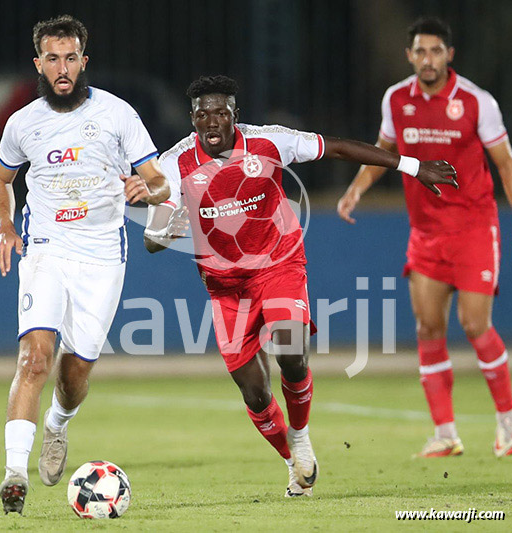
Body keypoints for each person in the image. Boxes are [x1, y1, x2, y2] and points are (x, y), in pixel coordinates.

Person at [144, 75, 457, 497]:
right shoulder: (173, 163)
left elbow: (339, 147)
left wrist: (413, 166)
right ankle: (294, 461)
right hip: (225, 287)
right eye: (203, 114)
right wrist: (167, 230)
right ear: (192, 119)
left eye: (221, 112)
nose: (212, 121)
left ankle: (302, 432)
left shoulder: (270, 142)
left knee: (290, 348)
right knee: (254, 393)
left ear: (236, 115)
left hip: (278, 263)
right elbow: (152, 239)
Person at [0, 15, 170, 514]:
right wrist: (7, 228)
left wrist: (145, 189)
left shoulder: (117, 114)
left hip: (102, 258)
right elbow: (0, 181)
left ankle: (57, 425)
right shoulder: (22, 123)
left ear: (83, 61)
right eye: (53, 58)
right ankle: (13, 476)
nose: (62, 67)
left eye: (71, 58)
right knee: (34, 358)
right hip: (45, 248)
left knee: (73, 377)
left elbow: (159, 181)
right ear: (39, 64)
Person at [337, 17, 512, 458]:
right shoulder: (397, 99)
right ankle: (445, 433)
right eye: (420, 51)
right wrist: (356, 189)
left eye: (436, 51)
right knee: (428, 327)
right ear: (410, 56)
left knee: (475, 324)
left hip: (474, 228)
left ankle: (508, 426)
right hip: (425, 233)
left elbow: (506, 164)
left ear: (449, 55)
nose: (428, 59)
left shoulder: (477, 102)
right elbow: (384, 152)